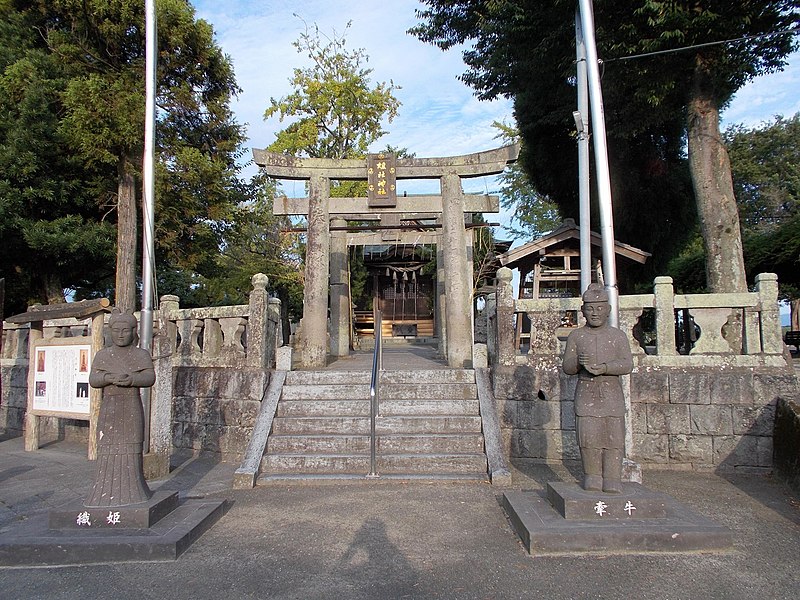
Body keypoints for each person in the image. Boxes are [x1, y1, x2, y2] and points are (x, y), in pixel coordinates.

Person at [562, 284, 633, 494]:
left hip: (611, 393)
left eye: (600, 308)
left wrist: (606, 368)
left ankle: (612, 477)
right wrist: (578, 362)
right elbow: (567, 367)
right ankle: (591, 475)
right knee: (588, 437)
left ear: (608, 309)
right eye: (591, 308)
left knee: (613, 438)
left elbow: (627, 364)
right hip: (586, 391)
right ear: (583, 311)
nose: (595, 313)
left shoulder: (617, 336)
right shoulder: (576, 336)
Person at [85, 310, 155, 507]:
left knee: (132, 446)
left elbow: (149, 377)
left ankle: (133, 490)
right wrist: (107, 378)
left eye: (125, 330)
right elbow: (93, 379)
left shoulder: (141, 354)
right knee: (107, 448)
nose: (121, 334)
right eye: (116, 330)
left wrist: (132, 379)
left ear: (134, 331)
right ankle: (104, 490)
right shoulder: (103, 355)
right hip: (109, 408)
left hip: (131, 405)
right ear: (110, 331)